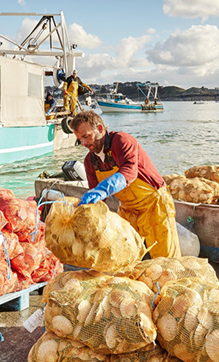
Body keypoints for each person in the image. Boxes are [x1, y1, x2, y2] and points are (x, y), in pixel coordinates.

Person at [71, 110, 180, 259]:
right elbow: (98, 200)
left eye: (86, 136)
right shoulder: (90, 161)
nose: (83, 143)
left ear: (100, 129)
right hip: (128, 209)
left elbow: (129, 171)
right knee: (123, 255)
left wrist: (102, 189)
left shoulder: (121, 141)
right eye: (80, 139)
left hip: (154, 204)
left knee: (165, 259)